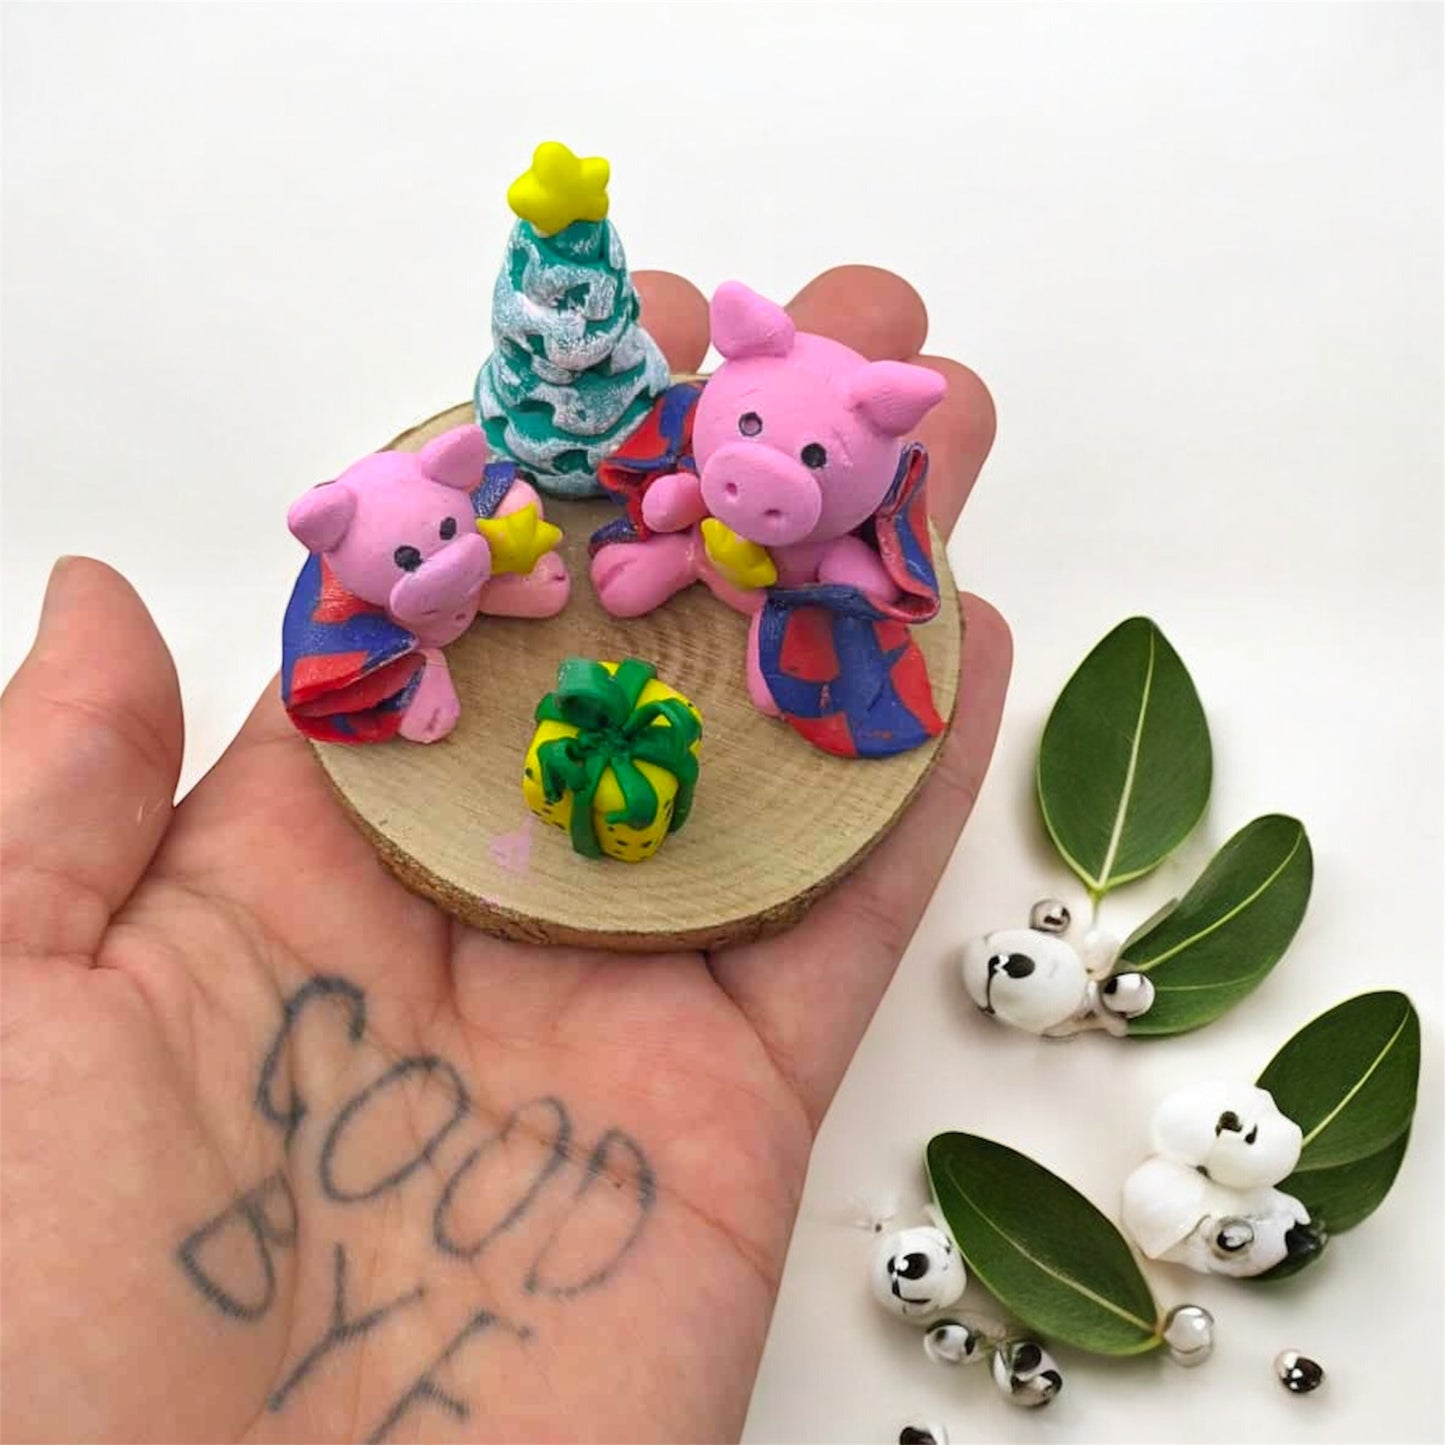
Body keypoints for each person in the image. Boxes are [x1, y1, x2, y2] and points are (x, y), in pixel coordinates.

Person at [0, 265, 1010, 1442]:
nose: (763, 464)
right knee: (630, 565)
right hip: (643, 588)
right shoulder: (403, 587)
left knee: (724, 603)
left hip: (752, 593)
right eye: (742, 431)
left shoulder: (832, 509)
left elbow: (838, 568)